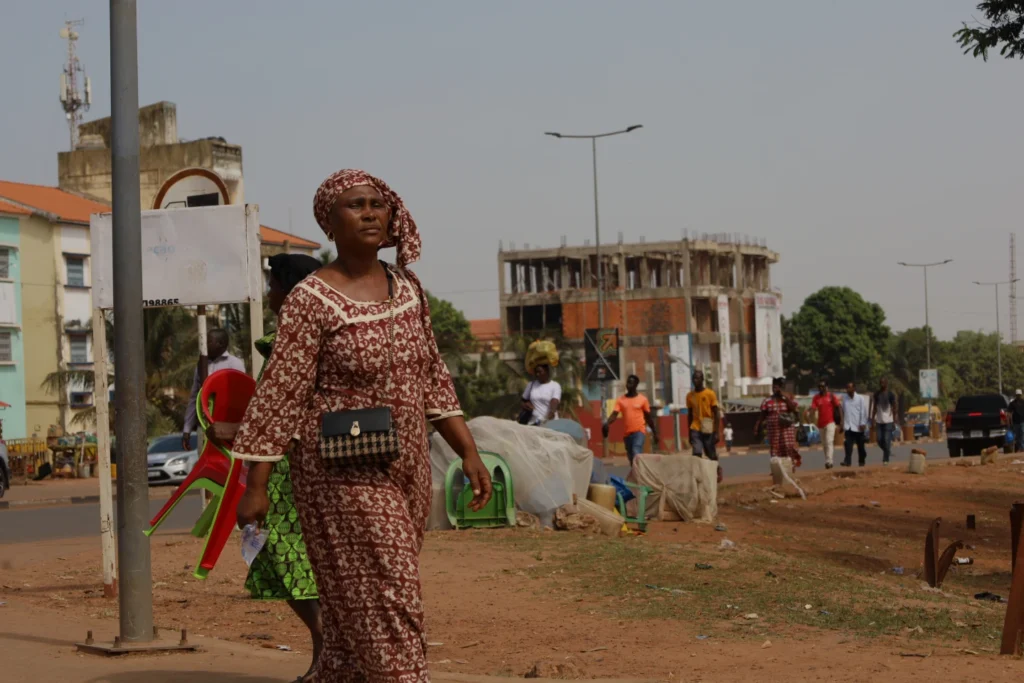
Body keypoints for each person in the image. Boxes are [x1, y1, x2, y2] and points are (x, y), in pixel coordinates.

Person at [232, 169, 493, 682]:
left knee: (361, 607)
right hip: (340, 472)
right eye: (355, 205)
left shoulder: (409, 288)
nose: (371, 212)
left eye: (378, 203)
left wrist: (468, 451)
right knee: (391, 591)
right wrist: (255, 486)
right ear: (330, 223)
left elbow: (434, 377)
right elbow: (281, 392)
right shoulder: (311, 300)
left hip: (408, 466)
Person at [207, 253, 324, 681]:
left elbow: (283, 415)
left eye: (274, 284)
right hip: (300, 468)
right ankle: (325, 655)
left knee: (285, 558)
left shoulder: (292, 345)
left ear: (291, 289)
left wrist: (240, 437)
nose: (269, 293)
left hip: (287, 475)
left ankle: (326, 644)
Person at [182, 327, 246, 450]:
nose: (204, 345)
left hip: (225, 427)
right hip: (204, 425)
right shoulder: (201, 365)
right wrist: (187, 429)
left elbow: (240, 395)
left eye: (208, 342)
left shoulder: (234, 364)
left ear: (221, 344)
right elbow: (195, 397)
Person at [602, 375, 659, 465]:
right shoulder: (621, 400)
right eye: (628, 382)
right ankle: (637, 475)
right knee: (631, 458)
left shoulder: (642, 400)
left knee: (636, 451)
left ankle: (639, 475)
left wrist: (655, 432)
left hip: (639, 431)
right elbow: (614, 414)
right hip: (627, 434)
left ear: (636, 385)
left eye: (631, 383)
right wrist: (607, 423)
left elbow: (648, 417)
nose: (628, 385)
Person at [754, 377, 802, 468]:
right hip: (773, 428)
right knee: (775, 447)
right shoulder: (767, 400)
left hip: (786, 427)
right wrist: (757, 426)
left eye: (777, 387)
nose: (774, 389)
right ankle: (776, 468)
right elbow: (762, 415)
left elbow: (794, 409)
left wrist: (784, 398)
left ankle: (790, 465)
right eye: (773, 387)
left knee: (788, 445)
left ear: (781, 387)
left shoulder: (789, 397)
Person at [807, 378, 842, 470]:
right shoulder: (816, 398)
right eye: (819, 386)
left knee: (829, 441)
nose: (821, 388)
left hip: (830, 422)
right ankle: (827, 459)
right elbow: (813, 408)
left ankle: (829, 461)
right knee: (824, 444)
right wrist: (810, 416)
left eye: (822, 386)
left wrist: (841, 422)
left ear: (826, 387)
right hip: (821, 424)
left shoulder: (831, 396)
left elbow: (839, 407)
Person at [686, 370, 719, 460]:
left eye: (697, 378)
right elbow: (689, 414)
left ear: (702, 379)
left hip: (708, 427)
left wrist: (716, 432)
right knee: (696, 453)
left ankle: (716, 469)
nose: (695, 380)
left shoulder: (710, 394)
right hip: (695, 427)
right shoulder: (689, 396)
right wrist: (689, 432)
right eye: (694, 378)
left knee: (710, 453)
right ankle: (699, 473)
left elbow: (716, 413)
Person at [521, 358, 561, 426]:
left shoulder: (555, 385)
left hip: (550, 423)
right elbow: (523, 401)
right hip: (534, 423)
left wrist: (552, 412)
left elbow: (554, 401)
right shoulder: (531, 385)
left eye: (540, 372)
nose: (538, 374)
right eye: (536, 372)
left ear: (547, 371)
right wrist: (526, 405)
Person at [869, 378, 898, 466]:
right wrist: (872, 420)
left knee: (886, 440)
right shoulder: (877, 394)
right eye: (880, 383)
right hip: (879, 421)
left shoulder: (890, 395)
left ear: (886, 383)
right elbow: (874, 408)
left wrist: (894, 420)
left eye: (883, 383)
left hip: (888, 421)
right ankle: (887, 450)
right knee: (879, 440)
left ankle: (885, 459)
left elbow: (894, 407)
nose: (882, 385)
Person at [841, 382, 870, 467]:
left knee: (860, 447)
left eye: (849, 387)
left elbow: (863, 412)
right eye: (847, 388)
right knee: (848, 445)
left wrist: (863, 423)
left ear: (854, 389)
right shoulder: (844, 399)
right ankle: (847, 461)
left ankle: (862, 460)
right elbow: (843, 411)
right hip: (848, 426)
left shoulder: (860, 398)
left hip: (858, 427)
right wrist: (842, 424)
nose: (848, 389)